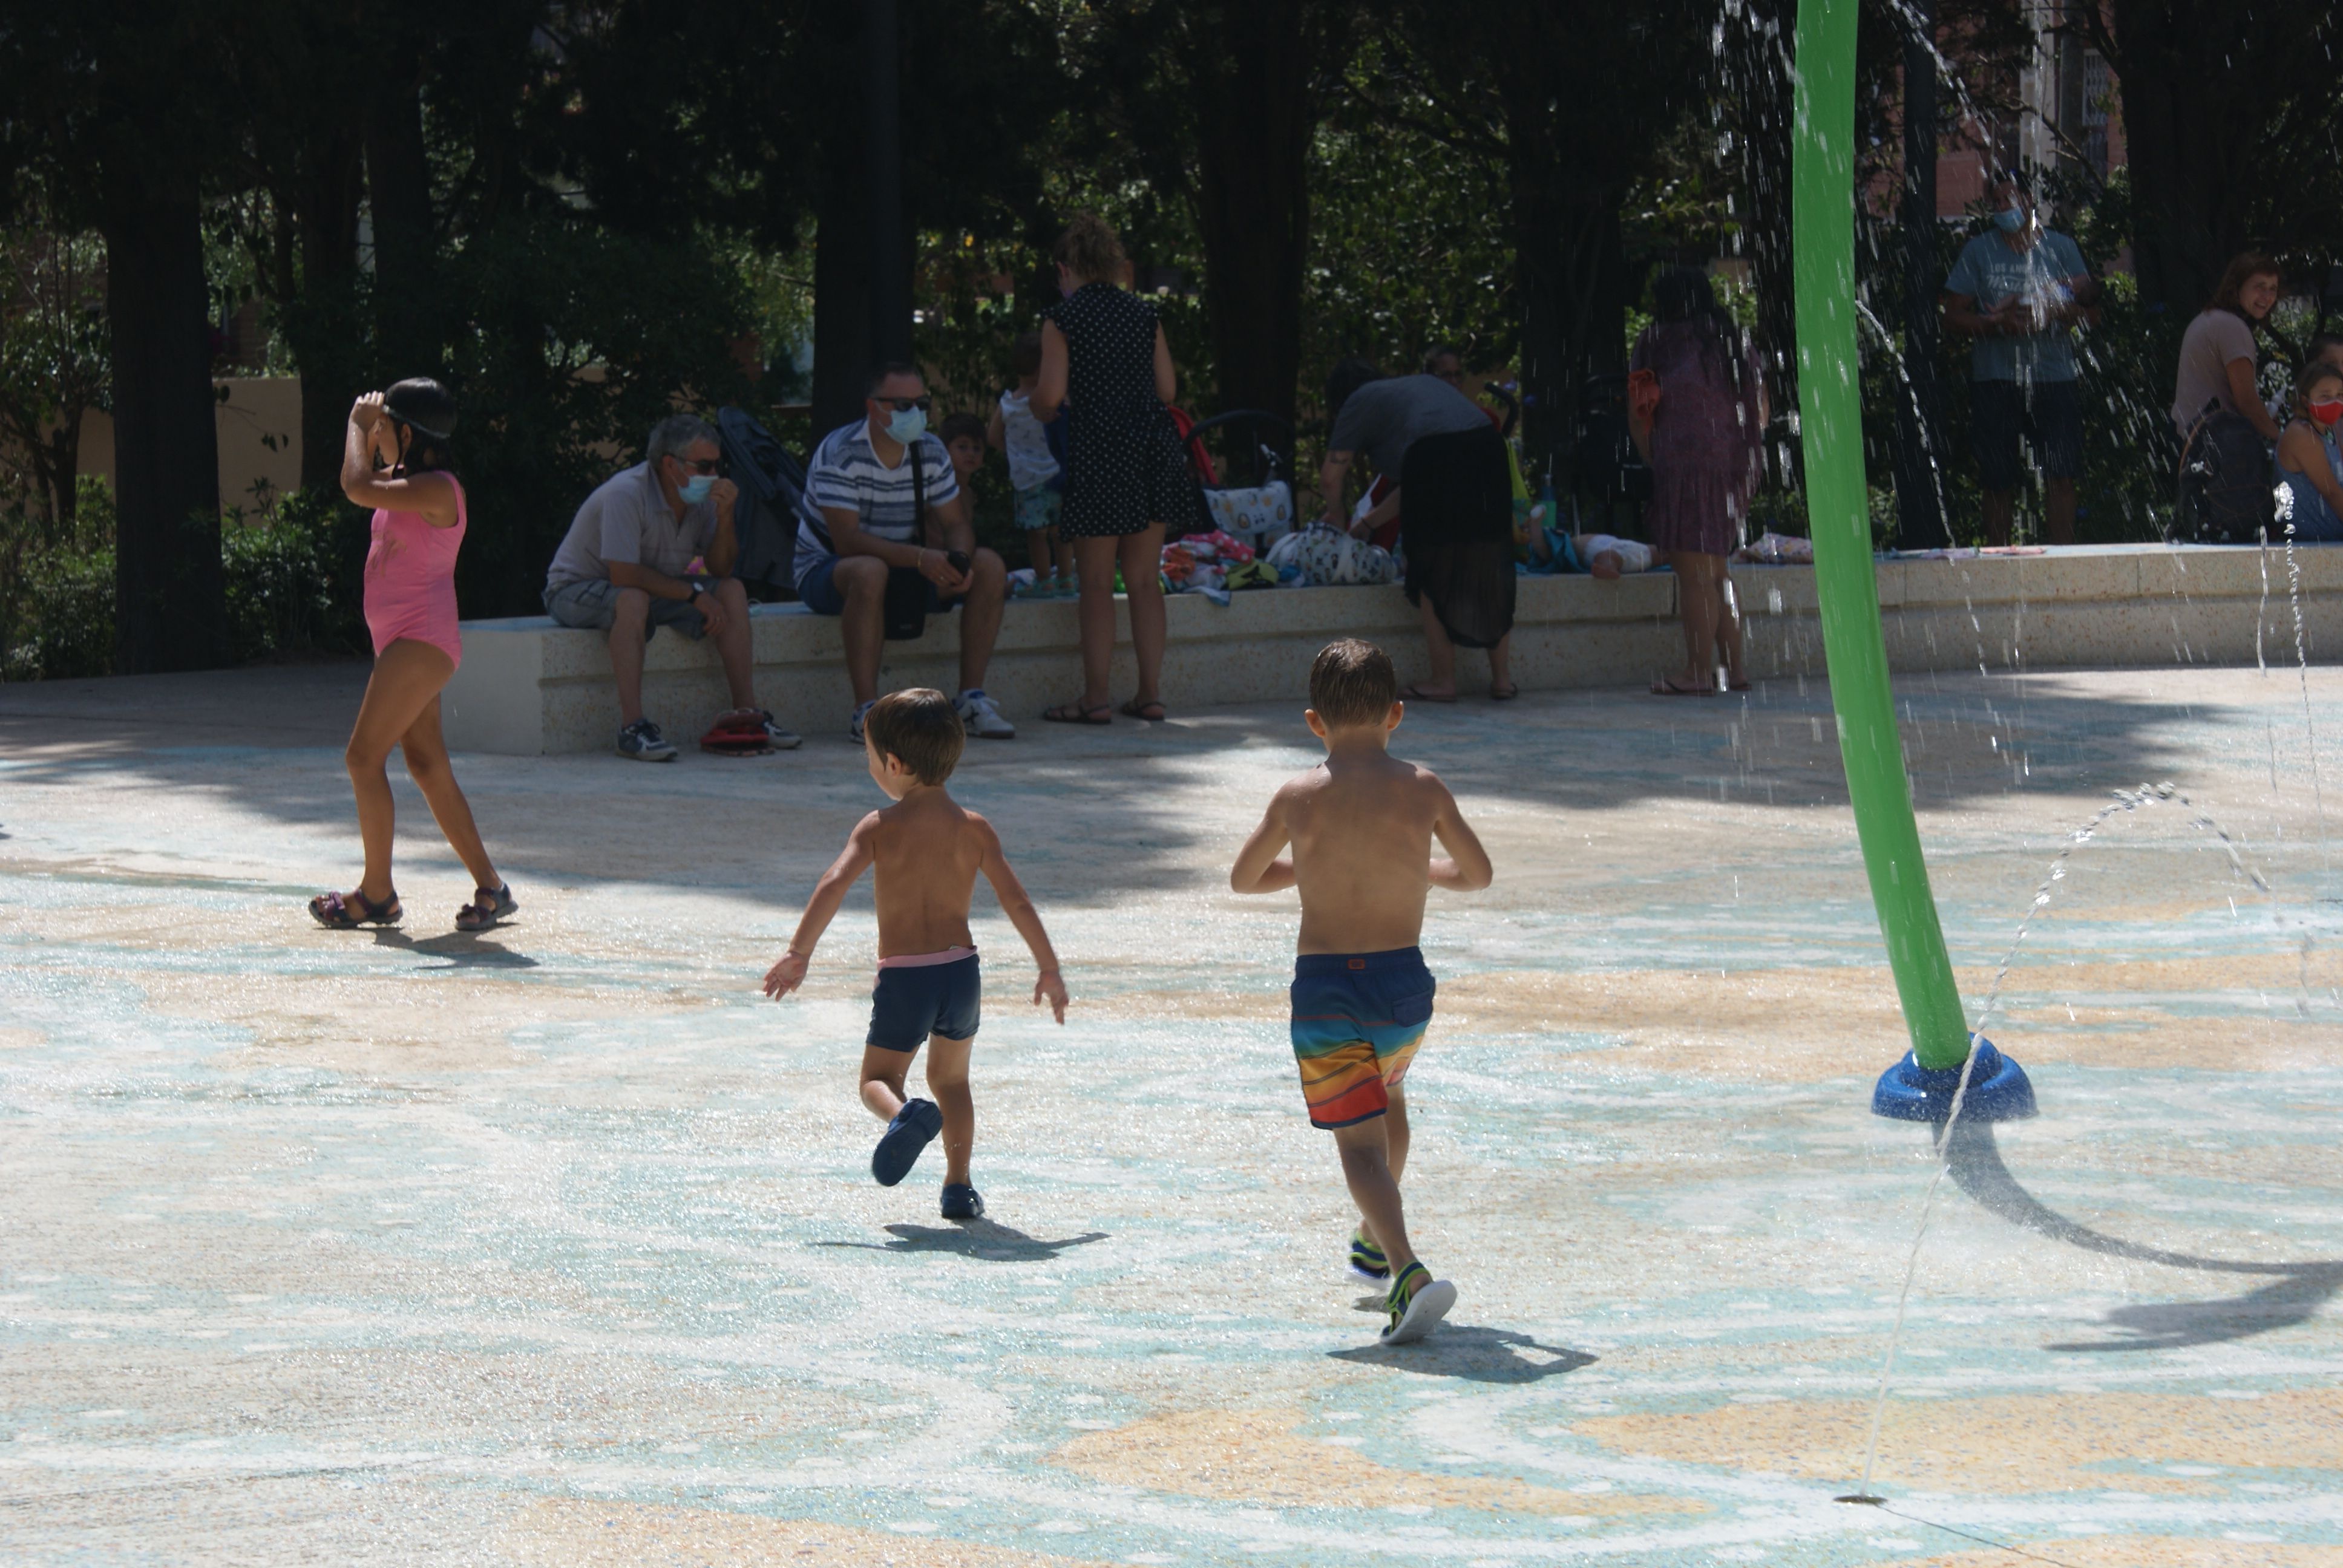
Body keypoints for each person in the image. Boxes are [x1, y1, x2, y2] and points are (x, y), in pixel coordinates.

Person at [1229, 640, 1491, 1344]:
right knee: (1391, 1100)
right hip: (1403, 987)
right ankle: (1375, 1245)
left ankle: (1405, 1271)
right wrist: (1420, 870)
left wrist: (1310, 866)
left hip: (1326, 994)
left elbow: (1244, 878)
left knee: (1357, 1148)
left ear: (1314, 723)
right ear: (1396, 715)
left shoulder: (1296, 796)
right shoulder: (1424, 787)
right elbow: (1476, 874)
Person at [761, 688, 1068, 1220]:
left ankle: (905, 1117)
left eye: (870, 756)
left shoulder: (881, 827)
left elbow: (835, 882)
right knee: (952, 1081)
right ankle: (958, 1185)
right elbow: (1015, 900)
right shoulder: (975, 829)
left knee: (876, 1081)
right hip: (962, 974)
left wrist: (798, 952)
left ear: (895, 764)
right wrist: (1048, 966)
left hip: (906, 979)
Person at [310, 381, 513, 933]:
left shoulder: (439, 489)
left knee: (362, 758)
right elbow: (369, 483)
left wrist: (355, 427)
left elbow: (354, 484)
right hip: (406, 643)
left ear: (406, 433)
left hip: (420, 643)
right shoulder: (406, 485)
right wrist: (375, 437)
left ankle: (377, 894)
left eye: (384, 427)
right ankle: (492, 886)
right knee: (424, 764)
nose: (374, 435)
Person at [545, 414, 799, 762]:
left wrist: (725, 518)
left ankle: (747, 716)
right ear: (671, 465)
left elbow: (722, 568)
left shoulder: (701, 501)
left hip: (644, 589)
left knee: (732, 591)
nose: (715, 476)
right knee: (633, 601)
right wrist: (694, 596)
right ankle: (632, 729)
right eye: (706, 466)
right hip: (575, 591)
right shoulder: (626, 493)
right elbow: (623, 575)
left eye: (718, 465)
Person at [793, 364, 1016, 743]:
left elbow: (956, 524)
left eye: (921, 403)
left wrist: (959, 560)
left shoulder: (929, 450)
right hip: (828, 570)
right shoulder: (840, 451)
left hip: (907, 567)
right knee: (868, 571)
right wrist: (920, 558)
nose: (913, 412)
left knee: (990, 566)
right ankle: (867, 710)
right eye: (902, 403)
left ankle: (970, 698)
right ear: (873, 407)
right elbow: (846, 541)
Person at [1031, 214, 1187, 724]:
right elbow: (1168, 392)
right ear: (1117, 268)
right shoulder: (1145, 315)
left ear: (1066, 270)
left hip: (1100, 449)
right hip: (1151, 449)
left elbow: (1050, 397)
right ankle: (1151, 693)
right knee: (1144, 579)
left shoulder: (1064, 319)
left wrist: (1037, 405)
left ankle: (1095, 698)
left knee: (1097, 582)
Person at [1320, 358, 1517, 702]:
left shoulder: (1357, 402)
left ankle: (1443, 682)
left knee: (1431, 565)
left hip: (1439, 456)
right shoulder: (1419, 391)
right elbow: (1416, 485)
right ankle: (1502, 680)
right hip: (1489, 448)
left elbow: (1330, 476)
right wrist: (1366, 525)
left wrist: (1336, 515)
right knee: (1490, 558)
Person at [1627, 268, 1768, 696]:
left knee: (1693, 575)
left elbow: (1641, 409)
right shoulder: (1732, 339)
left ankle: (1696, 672)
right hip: (1735, 461)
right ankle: (1734, 669)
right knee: (1718, 570)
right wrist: (1748, 457)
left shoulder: (1655, 342)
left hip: (1685, 461)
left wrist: (1655, 458)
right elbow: (1761, 404)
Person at [1941, 173, 2100, 548]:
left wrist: (2054, 313)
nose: (2002, 209)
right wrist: (1993, 325)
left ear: (2030, 200)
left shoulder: (2061, 248)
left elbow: (2091, 310)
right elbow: (1950, 317)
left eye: (2008, 199)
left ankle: (2061, 556)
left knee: (2062, 474)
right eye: (1995, 203)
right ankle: (1998, 554)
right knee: (1997, 477)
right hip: (1995, 379)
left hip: (2053, 377)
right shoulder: (1979, 251)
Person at [989, 330, 1070, 595]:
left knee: (1036, 535)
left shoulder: (1008, 404)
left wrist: (1015, 456)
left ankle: (1044, 580)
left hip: (1027, 481)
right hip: (1058, 475)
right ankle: (1067, 578)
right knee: (1062, 531)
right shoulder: (1056, 400)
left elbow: (992, 437)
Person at [2172, 252, 2283, 445]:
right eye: (2260, 287)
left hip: (2187, 438)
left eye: (2273, 288)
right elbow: (2246, 402)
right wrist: (2282, 440)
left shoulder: (2207, 318)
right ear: (2236, 287)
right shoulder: (2232, 327)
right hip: (2212, 445)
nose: (2268, 296)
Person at [2275, 362, 2343, 542]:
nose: (2335, 402)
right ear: (2305, 400)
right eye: (2325, 396)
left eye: (2340, 395)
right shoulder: (2301, 434)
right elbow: (2333, 493)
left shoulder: (2330, 430)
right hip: (2311, 545)